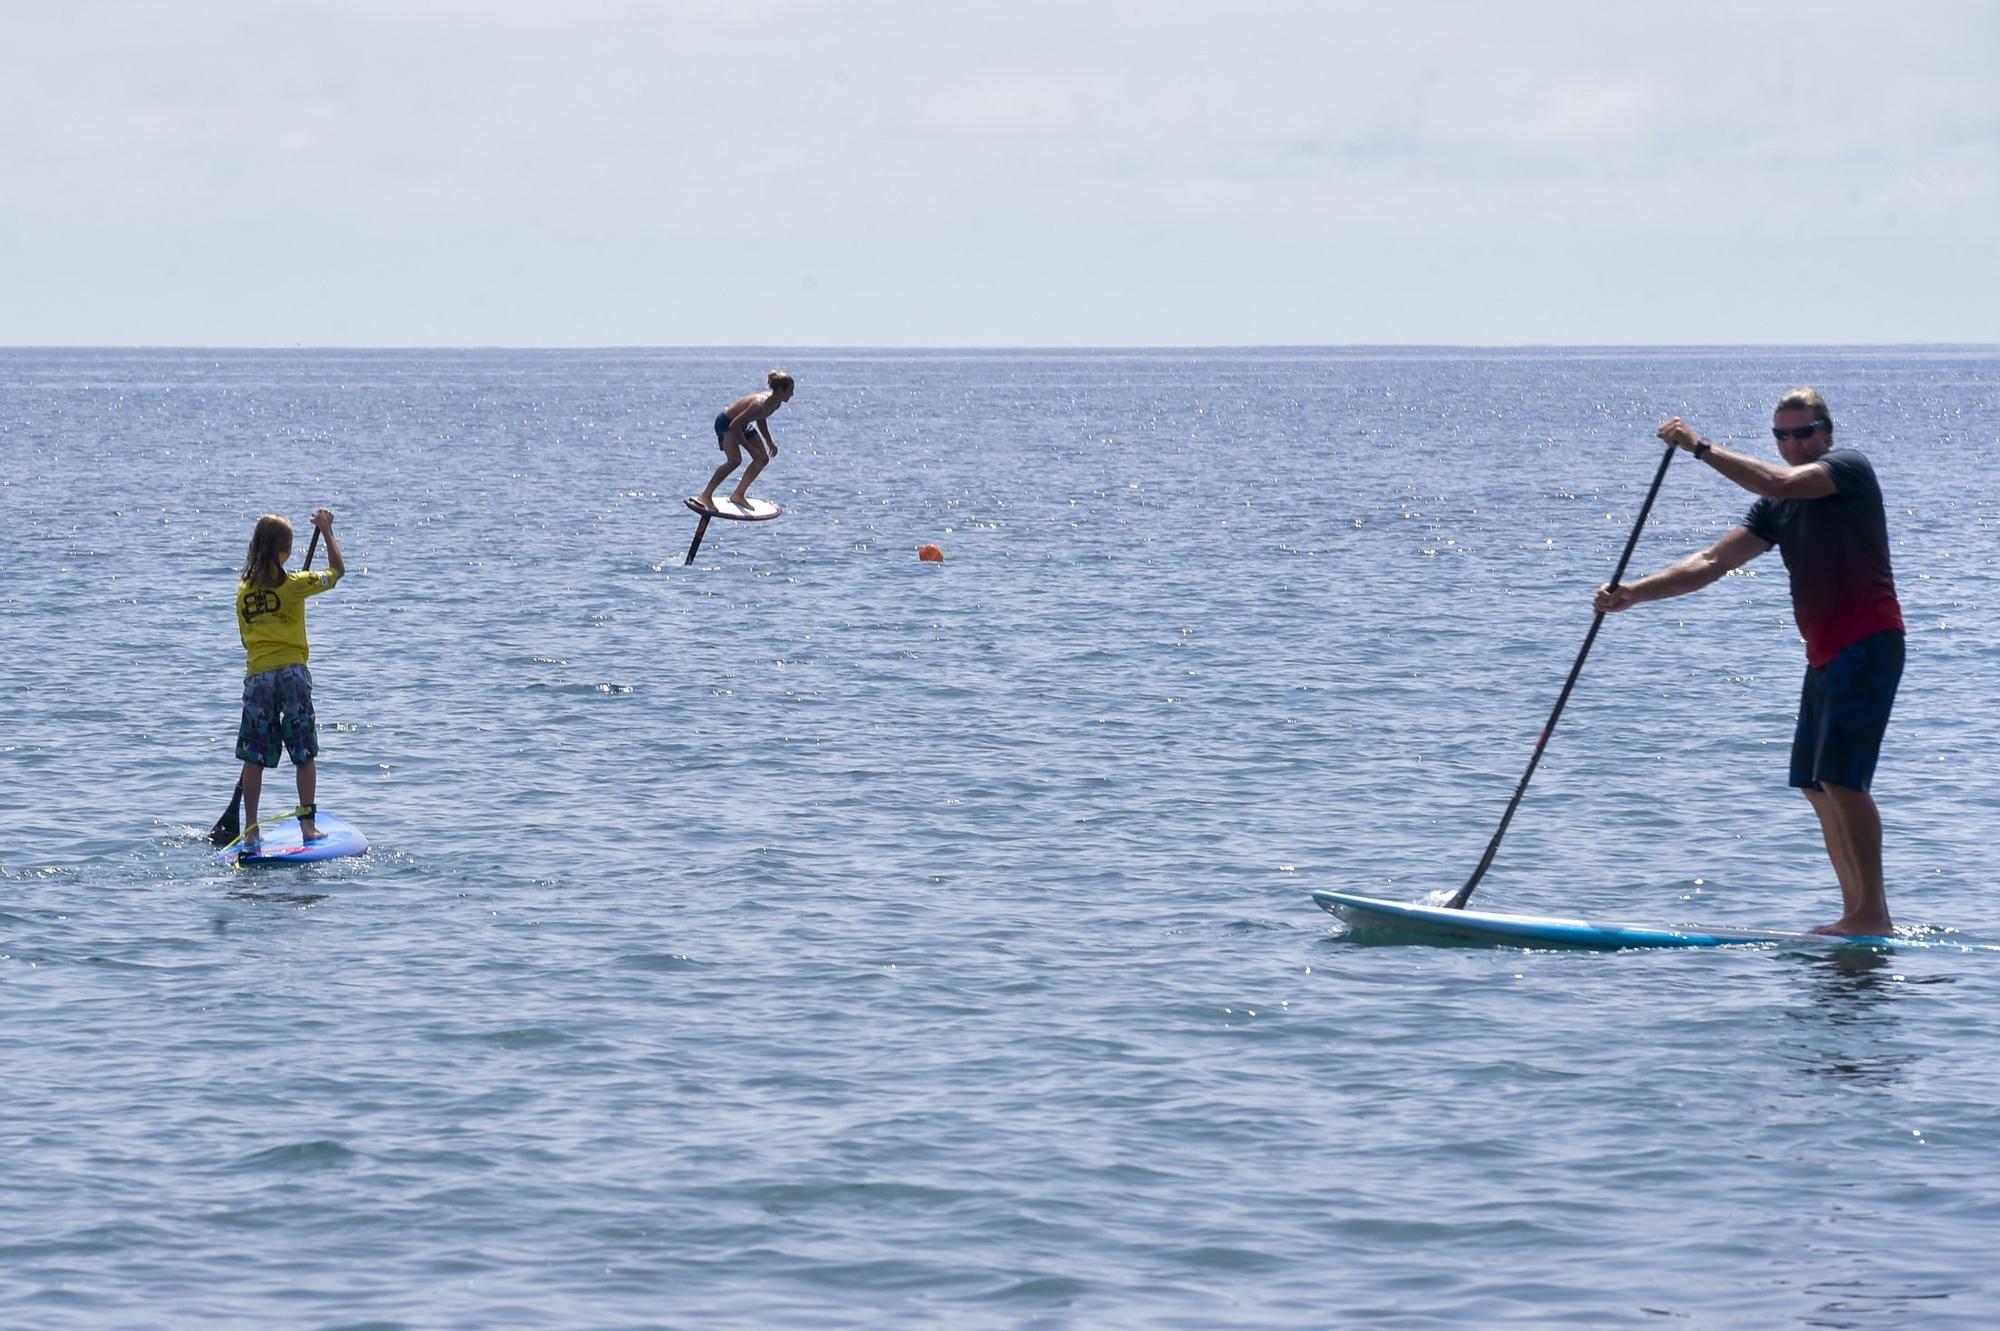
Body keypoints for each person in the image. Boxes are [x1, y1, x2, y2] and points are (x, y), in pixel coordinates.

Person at [1593, 389, 1905, 935]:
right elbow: (1713, 561)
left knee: (1842, 778)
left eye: (1803, 432)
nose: (1793, 444)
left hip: (1869, 641)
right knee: (1815, 783)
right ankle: (1854, 912)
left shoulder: (1846, 470)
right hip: (1825, 654)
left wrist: (1699, 447)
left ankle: (1872, 915)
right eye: (1782, 435)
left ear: (1827, 433)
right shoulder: (1776, 508)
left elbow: (1775, 479)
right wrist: (1635, 592)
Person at [234, 509, 345, 847]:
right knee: (303, 752)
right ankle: (307, 825)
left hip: (258, 678)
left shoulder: (243, 593)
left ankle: (250, 829)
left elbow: (246, 640)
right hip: (293, 675)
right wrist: (325, 529)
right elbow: (337, 571)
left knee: (254, 757)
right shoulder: (296, 584)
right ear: (285, 550)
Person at [694, 370, 794, 511]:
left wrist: (769, 441)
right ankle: (705, 496)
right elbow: (734, 425)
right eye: (790, 391)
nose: (792, 394)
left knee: (762, 458)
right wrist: (750, 448)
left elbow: (761, 418)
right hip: (726, 424)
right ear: (779, 390)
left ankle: (738, 494)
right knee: (735, 460)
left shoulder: (776, 403)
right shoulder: (759, 404)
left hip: (742, 424)